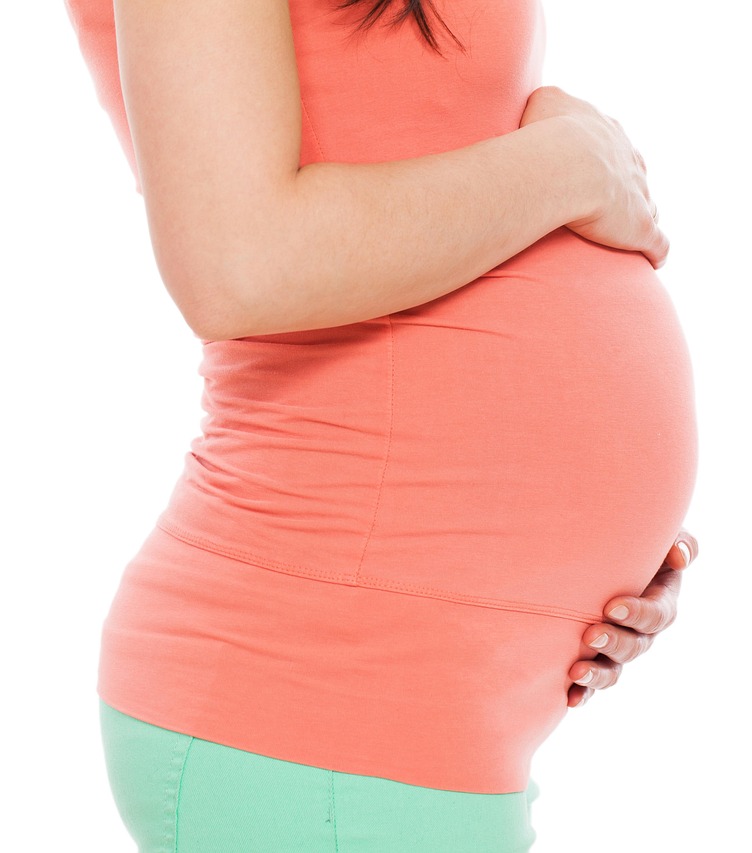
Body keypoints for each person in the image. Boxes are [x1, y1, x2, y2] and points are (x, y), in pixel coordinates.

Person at [63, 0, 700, 849]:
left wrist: (574, 565)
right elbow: (241, 263)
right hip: (312, 691)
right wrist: (569, 166)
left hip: (412, 711)